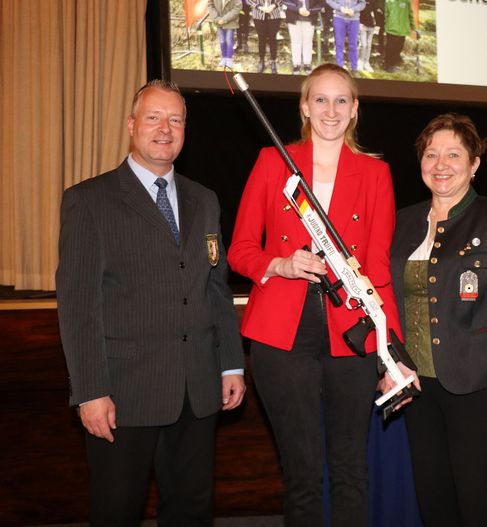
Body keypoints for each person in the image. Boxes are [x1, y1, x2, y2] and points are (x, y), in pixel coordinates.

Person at [56, 79, 246, 525]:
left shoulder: (204, 200)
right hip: (124, 394)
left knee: (192, 510)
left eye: (176, 119)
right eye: (154, 117)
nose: (165, 129)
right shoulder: (89, 201)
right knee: (117, 511)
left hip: (197, 390)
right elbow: (79, 305)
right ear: (131, 125)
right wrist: (90, 391)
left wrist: (230, 364)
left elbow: (215, 287)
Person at [227, 63, 401, 526]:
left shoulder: (375, 173)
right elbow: (240, 250)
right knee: (302, 474)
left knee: (350, 469)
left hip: (351, 332)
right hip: (281, 338)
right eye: (320, 99)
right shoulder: (272, 162)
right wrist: (280, 264)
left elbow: (379, 269)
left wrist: (391, 352)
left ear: (355, 109)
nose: (331, 109)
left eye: (341, 100)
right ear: (304, 106)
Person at [381, 113, 487, 526]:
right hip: (417, 388)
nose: (440, 164)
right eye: (431, 155)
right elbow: (382, 298)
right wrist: (387, 363)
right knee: (434, 501)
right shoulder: (402, 220)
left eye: (453, 154)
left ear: (474, 163)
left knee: (480, 502)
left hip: (479, 385)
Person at [283, 0, 323, 74]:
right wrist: (298, 9)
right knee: (295, 41)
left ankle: (307, 64)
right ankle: (296, 64)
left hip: (310, 17)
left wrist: (310, 11)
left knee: (308, 42)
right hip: (293, 16)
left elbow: (321, 3)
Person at [326, 0, 365, 74]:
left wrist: (354, 9)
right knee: (339, 44)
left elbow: (363, 3)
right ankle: (340, 67)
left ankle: (354, 68)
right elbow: (329, 1)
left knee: (353, 45)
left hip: (354, 19)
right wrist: (340, 8)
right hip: (339, 18)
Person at [248, 0, 286, 73]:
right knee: (261, 38)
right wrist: (260, 7)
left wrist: (274, 5)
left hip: (274, 15)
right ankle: (261, 61)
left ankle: (273, 61)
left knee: (273, 38)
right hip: (258, 15)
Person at [383, 0, 416, 72]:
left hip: (403, 30)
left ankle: (393, 64)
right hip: (391, 29)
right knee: (390, 48)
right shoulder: (389, 1)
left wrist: (414, 28)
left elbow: (410, 14)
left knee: (398, 48)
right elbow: (386, 14)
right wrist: (386, 27)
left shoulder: (407, 2)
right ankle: (387, 64)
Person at [209, 0, 243, 69]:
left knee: (229, 40)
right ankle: (224, 57)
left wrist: (224, 19)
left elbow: (238, 7)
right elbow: (211, 5)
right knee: (222, 40)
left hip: (230, 21)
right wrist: (216, 18)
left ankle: (229, 59)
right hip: (218, 21)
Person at [358, 0, 383, 73]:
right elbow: (358, 11)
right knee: (363, 44)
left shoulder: (374, 2)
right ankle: (361, 61)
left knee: (368, 45)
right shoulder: (361, 1)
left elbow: (377, 13)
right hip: (363, 26)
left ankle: (366, 62)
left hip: (372, 26)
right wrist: (359, 23)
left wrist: (378, 25)